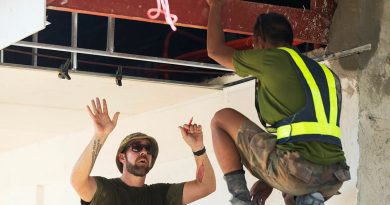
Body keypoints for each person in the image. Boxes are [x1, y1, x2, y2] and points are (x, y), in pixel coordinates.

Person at [205, 0, 350, 205]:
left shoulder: (272, 59)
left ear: (259, 40)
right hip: (334, 178)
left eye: (254, 44)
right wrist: (270, 182)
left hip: (297, 174)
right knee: (292, 191)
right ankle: (305, 198)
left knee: (221, 119)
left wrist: (215, 6)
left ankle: (240, 199)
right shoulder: (325, 74)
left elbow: (216, 51)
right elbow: (306, 136)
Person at [70, 97, 215, 205]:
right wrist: (100, 136)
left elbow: (206, 186)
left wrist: (198, 148)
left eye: (148, 148)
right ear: (122, 157)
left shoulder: (160, 195)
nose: (144, 152)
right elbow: (78, 181)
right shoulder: (108, 191)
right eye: (136, 147)